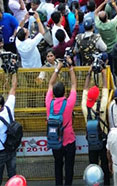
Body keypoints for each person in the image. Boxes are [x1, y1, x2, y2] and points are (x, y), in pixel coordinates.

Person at [46, 55, 78, 186]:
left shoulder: (49, 103)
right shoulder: (69, 103)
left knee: (58, 165)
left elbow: (50, 84)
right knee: (69, 167)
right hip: (69, 139)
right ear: (65, 93)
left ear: (54, 92)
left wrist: (57, 69)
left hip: (55, 140)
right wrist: (70, 68)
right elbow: (74, 85)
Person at [82, 66, 110, 185]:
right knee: (104, 163)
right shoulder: (102, 107)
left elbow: (84, 89)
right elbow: (105, 88)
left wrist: (88, 74)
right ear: (97, 97)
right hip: (103, 138)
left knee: (92, 163)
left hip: (91, 140)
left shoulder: (85, 107)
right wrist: (103, 73)